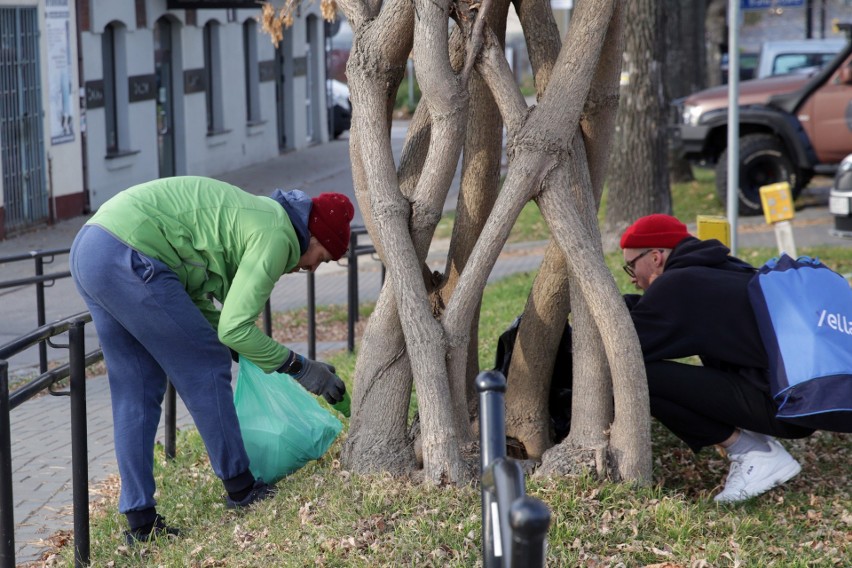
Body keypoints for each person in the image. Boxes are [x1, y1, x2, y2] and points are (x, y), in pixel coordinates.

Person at [69, 176, 353, 543]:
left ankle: (141, 521)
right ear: (314, 238)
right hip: (130, 250)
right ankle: (241, 487)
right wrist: (302, 369)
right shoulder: (278, 236)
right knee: (206, 363)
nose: (312, 268)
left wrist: (250, 349)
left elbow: (198, 301)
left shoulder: (261, 216)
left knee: (136, 389)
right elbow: (233, 331)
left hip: (93, 248)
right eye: (322, 259)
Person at [620, 214, 814, 503]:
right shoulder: (720, 267)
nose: (633, 278)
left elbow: (625, 348)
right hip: (798, 398)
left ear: (656, 256)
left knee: (639, 374)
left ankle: (751, 452)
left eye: (631, 266)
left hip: (782, 408)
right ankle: (757, 441)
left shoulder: (677, 285)